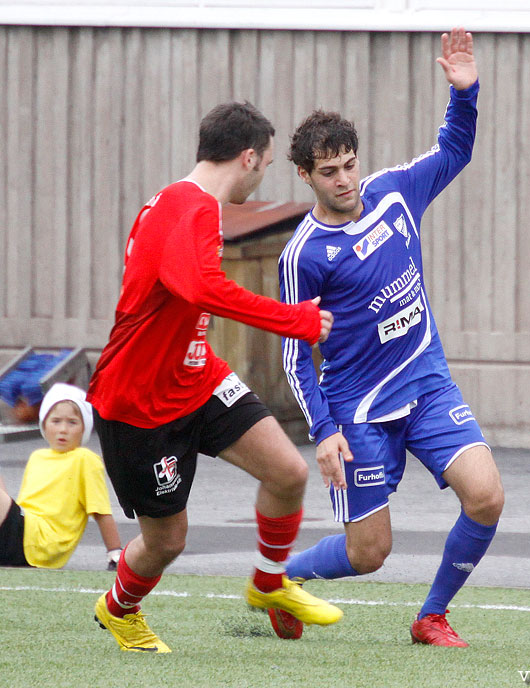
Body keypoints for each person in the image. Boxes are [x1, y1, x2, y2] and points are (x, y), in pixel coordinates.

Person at [88, 101, 342, 654]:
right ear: (247, 157)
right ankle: (118, 608)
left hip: (197, 377)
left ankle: (269, 584)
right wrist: (295, 320)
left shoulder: (177, 202)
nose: (263, 174)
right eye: (267, 164)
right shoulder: (192, 208)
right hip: (140, 402)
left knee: (286, 473)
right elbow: (203, 288)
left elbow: (188, 294)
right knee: (167, 542)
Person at [278, 28, 504, 646]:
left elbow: (454, 149)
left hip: (426, 382)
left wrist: (465, 93)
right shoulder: (303, 255)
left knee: (486, 497)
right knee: (370, 551)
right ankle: (277, 581)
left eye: (349, 164)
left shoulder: (395, 193)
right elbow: (295, 356)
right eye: (329, 172)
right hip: (359, 409)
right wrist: (323, 432)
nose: (345, 180)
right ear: (305, 175)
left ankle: (432, 615)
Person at [0, 383, 122, 570]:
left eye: (72, 422)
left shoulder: (85, 459)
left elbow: (101, 512)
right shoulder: (37, 457)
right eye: (56, 421)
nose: (63, 429)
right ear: (44, 425)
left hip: (43, 543)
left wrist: (115, 553)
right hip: (21, 535)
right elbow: (23, 507)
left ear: (84, 428)